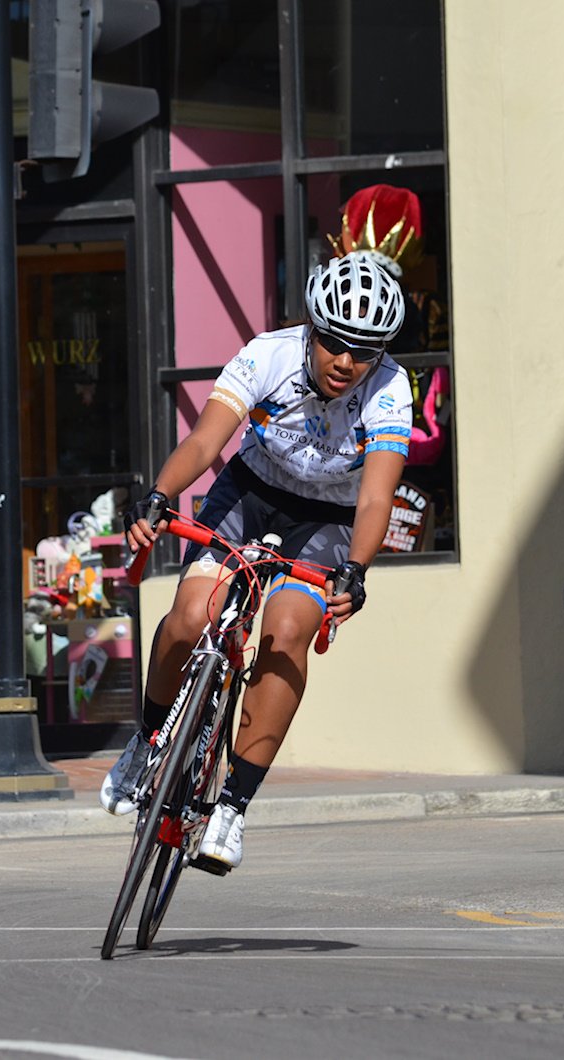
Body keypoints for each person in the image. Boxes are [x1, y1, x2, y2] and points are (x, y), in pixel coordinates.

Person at [101, 255, 413, 873]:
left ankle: (231, 809)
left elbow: (378, 496)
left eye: (365, 351)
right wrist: (161, 497)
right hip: (251, 491)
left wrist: (357, 568)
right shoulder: (268, 354)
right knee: (192, 615)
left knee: (287, 631)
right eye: (335, 344)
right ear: (311, 328)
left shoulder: (390, 388)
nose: (346, 363)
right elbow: (203, 442)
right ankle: (148, 741)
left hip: (329, 519)